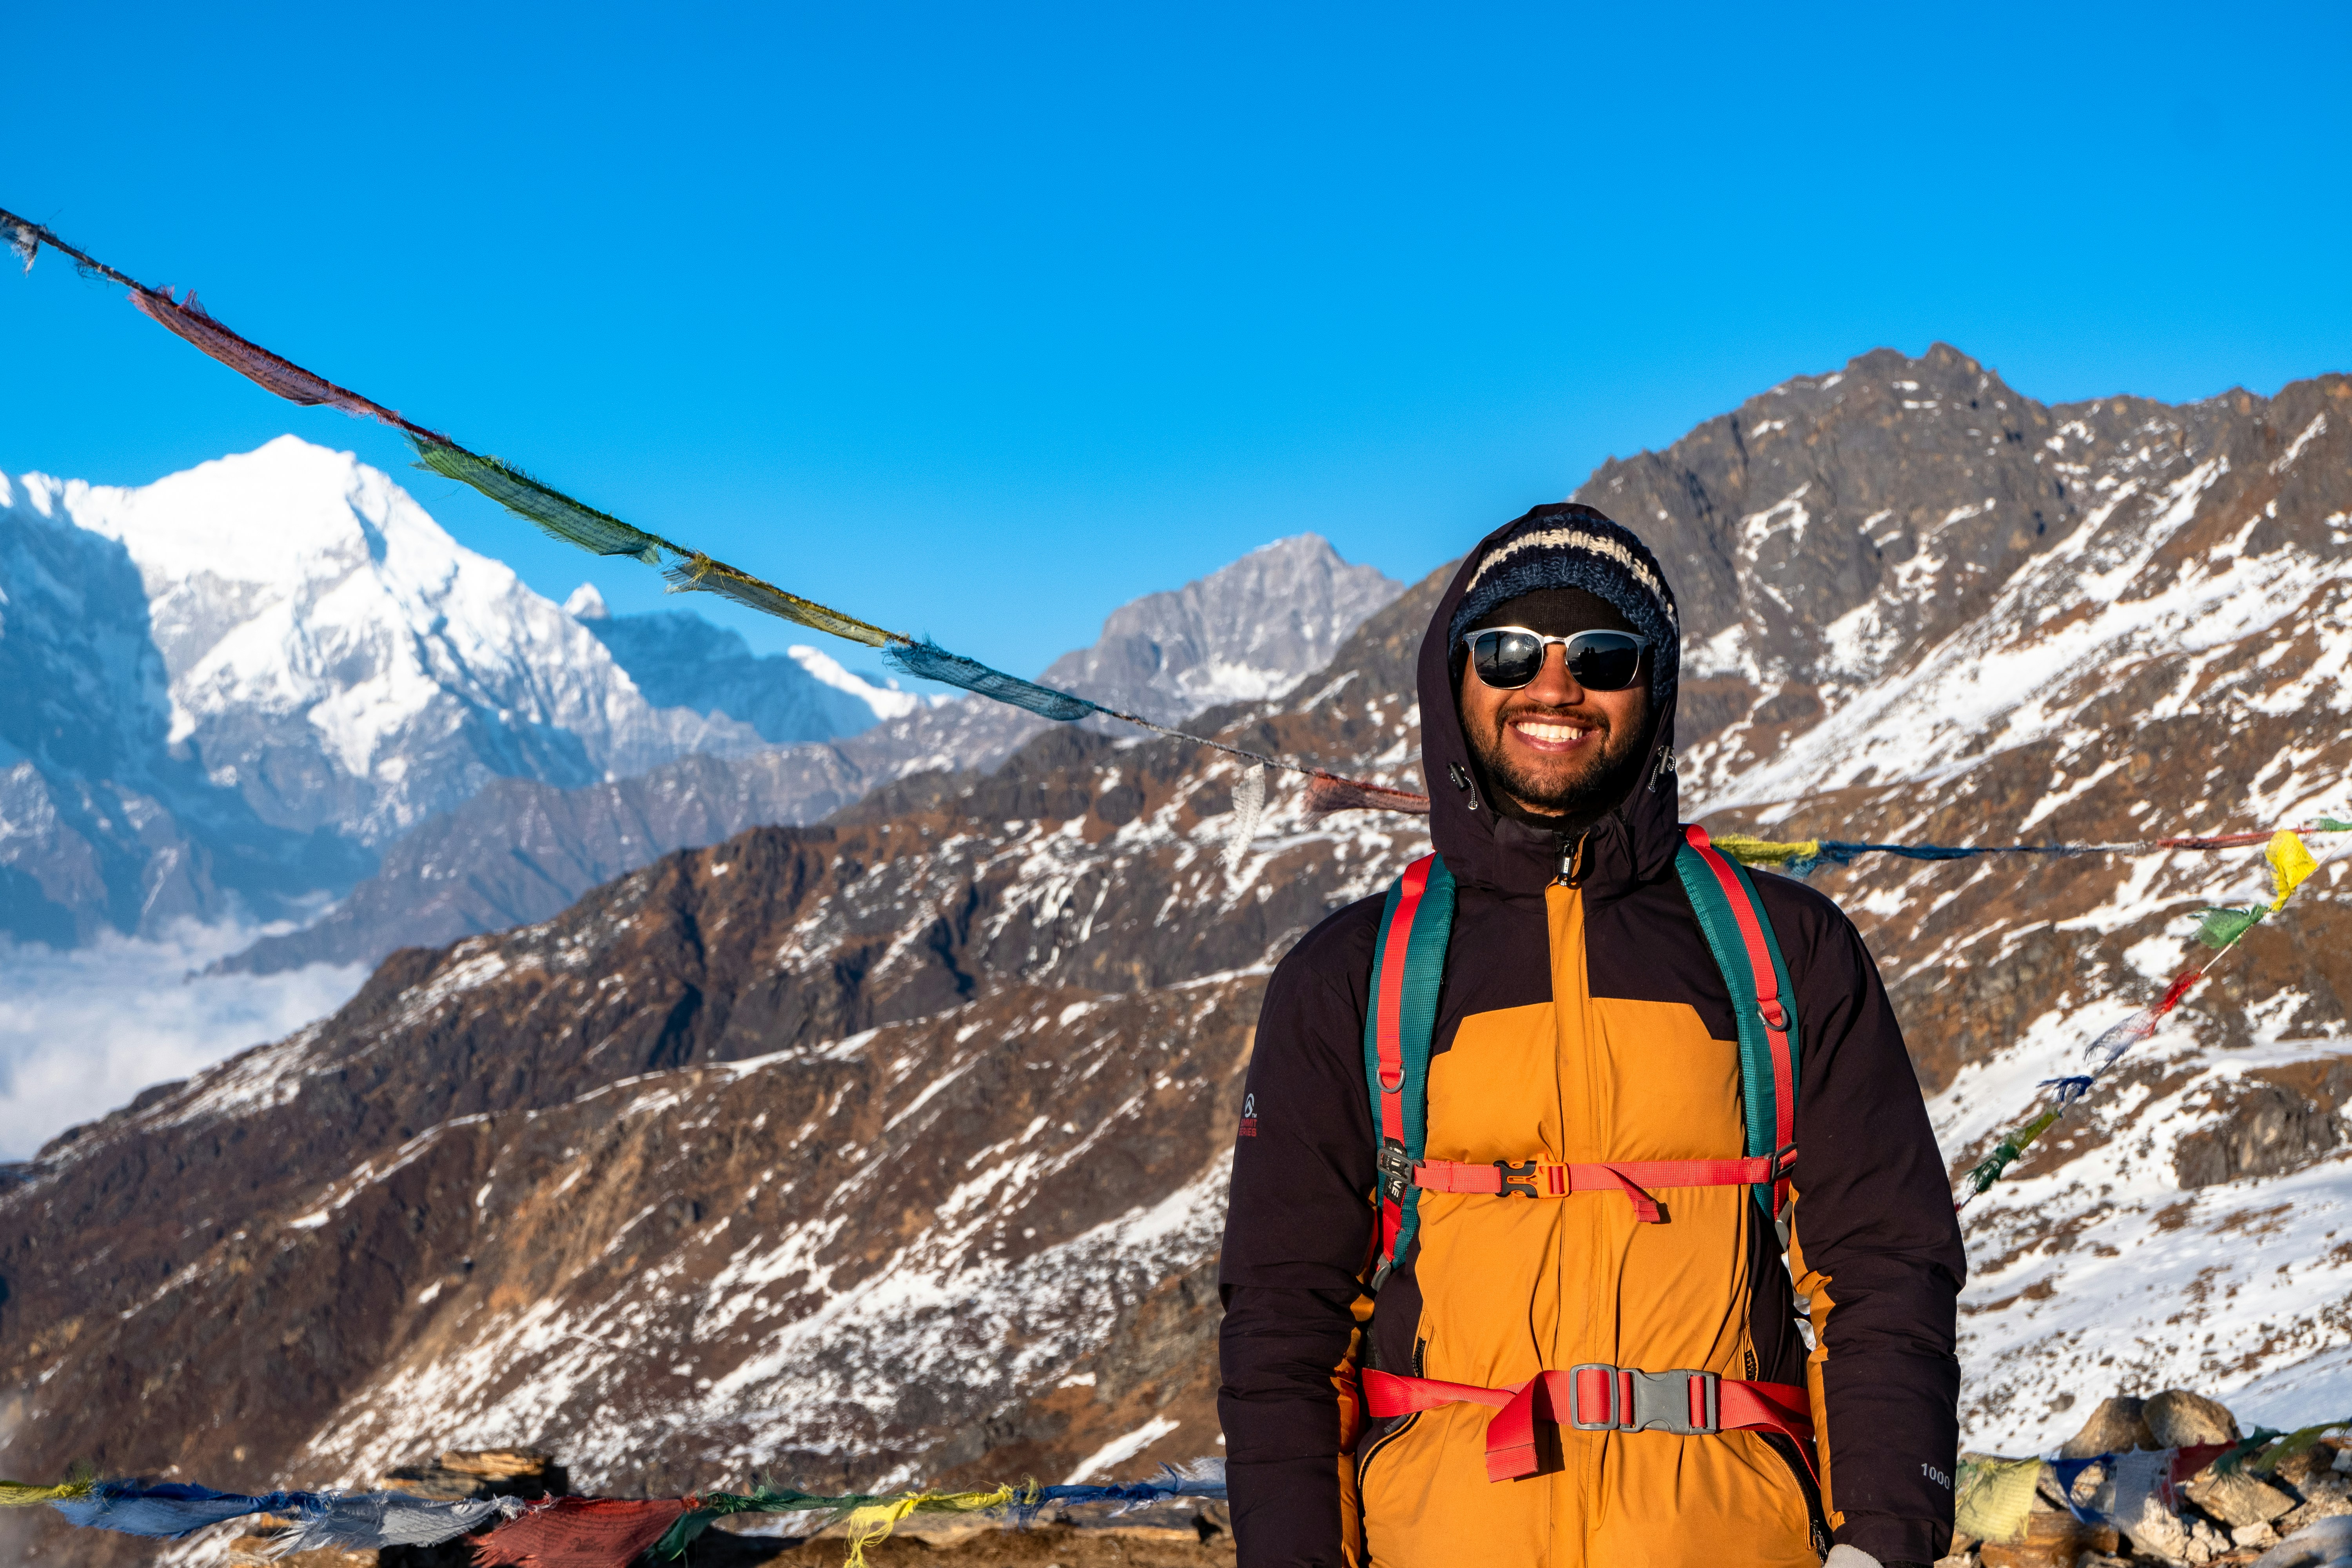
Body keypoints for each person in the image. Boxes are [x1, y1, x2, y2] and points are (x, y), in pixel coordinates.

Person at [1216, 504, 1964, 1568]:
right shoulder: (1348, 979)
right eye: (1510, 650)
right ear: (1456, 678)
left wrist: (1884, 1542)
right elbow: (1285, 1320)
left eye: (1602, 655)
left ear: (1653, 688)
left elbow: (1886, 1269)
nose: (1554, 686)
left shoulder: (1789, 953)